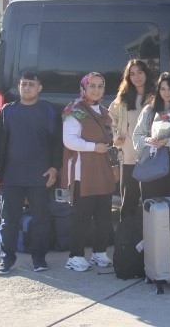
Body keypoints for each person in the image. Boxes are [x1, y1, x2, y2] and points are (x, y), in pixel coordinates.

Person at [0, 71, 62, 275]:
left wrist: (55, 168)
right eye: (23, 84)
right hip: (11, 177)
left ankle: (39, 258)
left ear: (40, 88)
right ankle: (6, 259)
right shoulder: (7, 111)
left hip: (40, 177)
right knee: (8, 221)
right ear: (19, 87)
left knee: (41, 220)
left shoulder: (49, 111)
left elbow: (57, 144)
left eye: (31, 84)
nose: (26, 87)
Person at [61, 72, 120, 272]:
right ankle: (75, 256)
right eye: (92, 86)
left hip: (102, 172)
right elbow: (69, 140)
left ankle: (99, 253)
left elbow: (110, 143)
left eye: (100, 86)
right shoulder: (74, 110)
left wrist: (114, 166)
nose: (96, 90)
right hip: (82, 175)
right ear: (83, 88)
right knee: (82, 217)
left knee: (104, 216)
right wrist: (93, 147)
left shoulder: (104, 112)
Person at [132, 72, 170, 201]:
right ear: (158, 90)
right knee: (152, 206)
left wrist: (168, 142)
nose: (166, 92)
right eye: (163, 89)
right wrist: (148, 140)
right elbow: (136, 136)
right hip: (151, 163)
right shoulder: (149, 110)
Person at [108, 60, 154, 220]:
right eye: (132, 74)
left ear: (146, 73)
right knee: (128, 204)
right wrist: (116, 137)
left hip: (151, 159)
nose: (137, 77)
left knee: (151, 205)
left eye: (140, 72)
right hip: (129, 158)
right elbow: (109, 121)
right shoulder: (123, 99)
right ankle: (127, 244)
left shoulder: (156, 97)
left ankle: (150, 242)